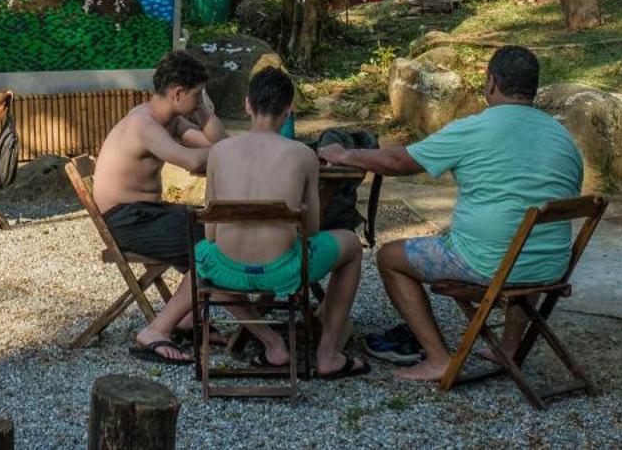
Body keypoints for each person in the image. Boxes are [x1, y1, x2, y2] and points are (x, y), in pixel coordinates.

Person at [318, 45, 583, 382]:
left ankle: (439, 358)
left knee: (390, 257)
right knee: (520, 239)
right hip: (549, 263)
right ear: (533, 87)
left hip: (488, 262)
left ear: (490, 83)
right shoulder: (562, 137)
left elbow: (400, 162)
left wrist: (346, 155)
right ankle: (511, 346)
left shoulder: (475, 129)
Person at [196, 66, 368, 378]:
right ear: (288, 110)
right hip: (285, 268)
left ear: (248, 104)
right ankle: (328, 354)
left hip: (227, 270)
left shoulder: (219, 153)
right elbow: (312, 229)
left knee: (202, 260)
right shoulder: (303, 154)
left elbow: (211, 232)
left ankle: (272, 344)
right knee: (352, 245)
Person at [90, 49, 225, 365]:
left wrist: (206, 116)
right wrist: (232, 153)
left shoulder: (168, 119)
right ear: (178, 93)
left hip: (148, 213)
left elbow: (219, 148)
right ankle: (156, 329)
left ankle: (186, 319)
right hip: (129, 222)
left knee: (218, 227)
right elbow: (195, 159)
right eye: (197, 97)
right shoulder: (144, 125)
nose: (198, 104)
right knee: (218, 243)